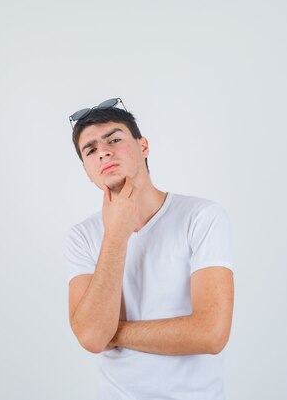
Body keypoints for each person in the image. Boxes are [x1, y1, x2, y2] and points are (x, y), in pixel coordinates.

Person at [64, 98, 235, 400]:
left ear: (143, 146)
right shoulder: (82, 236)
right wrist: (116, 234)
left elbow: (210, 333)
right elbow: (92, 337)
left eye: (114, 139)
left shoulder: (202, 217)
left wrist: (111, 332)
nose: (103, 151)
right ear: (87, 170)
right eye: (90, 150)